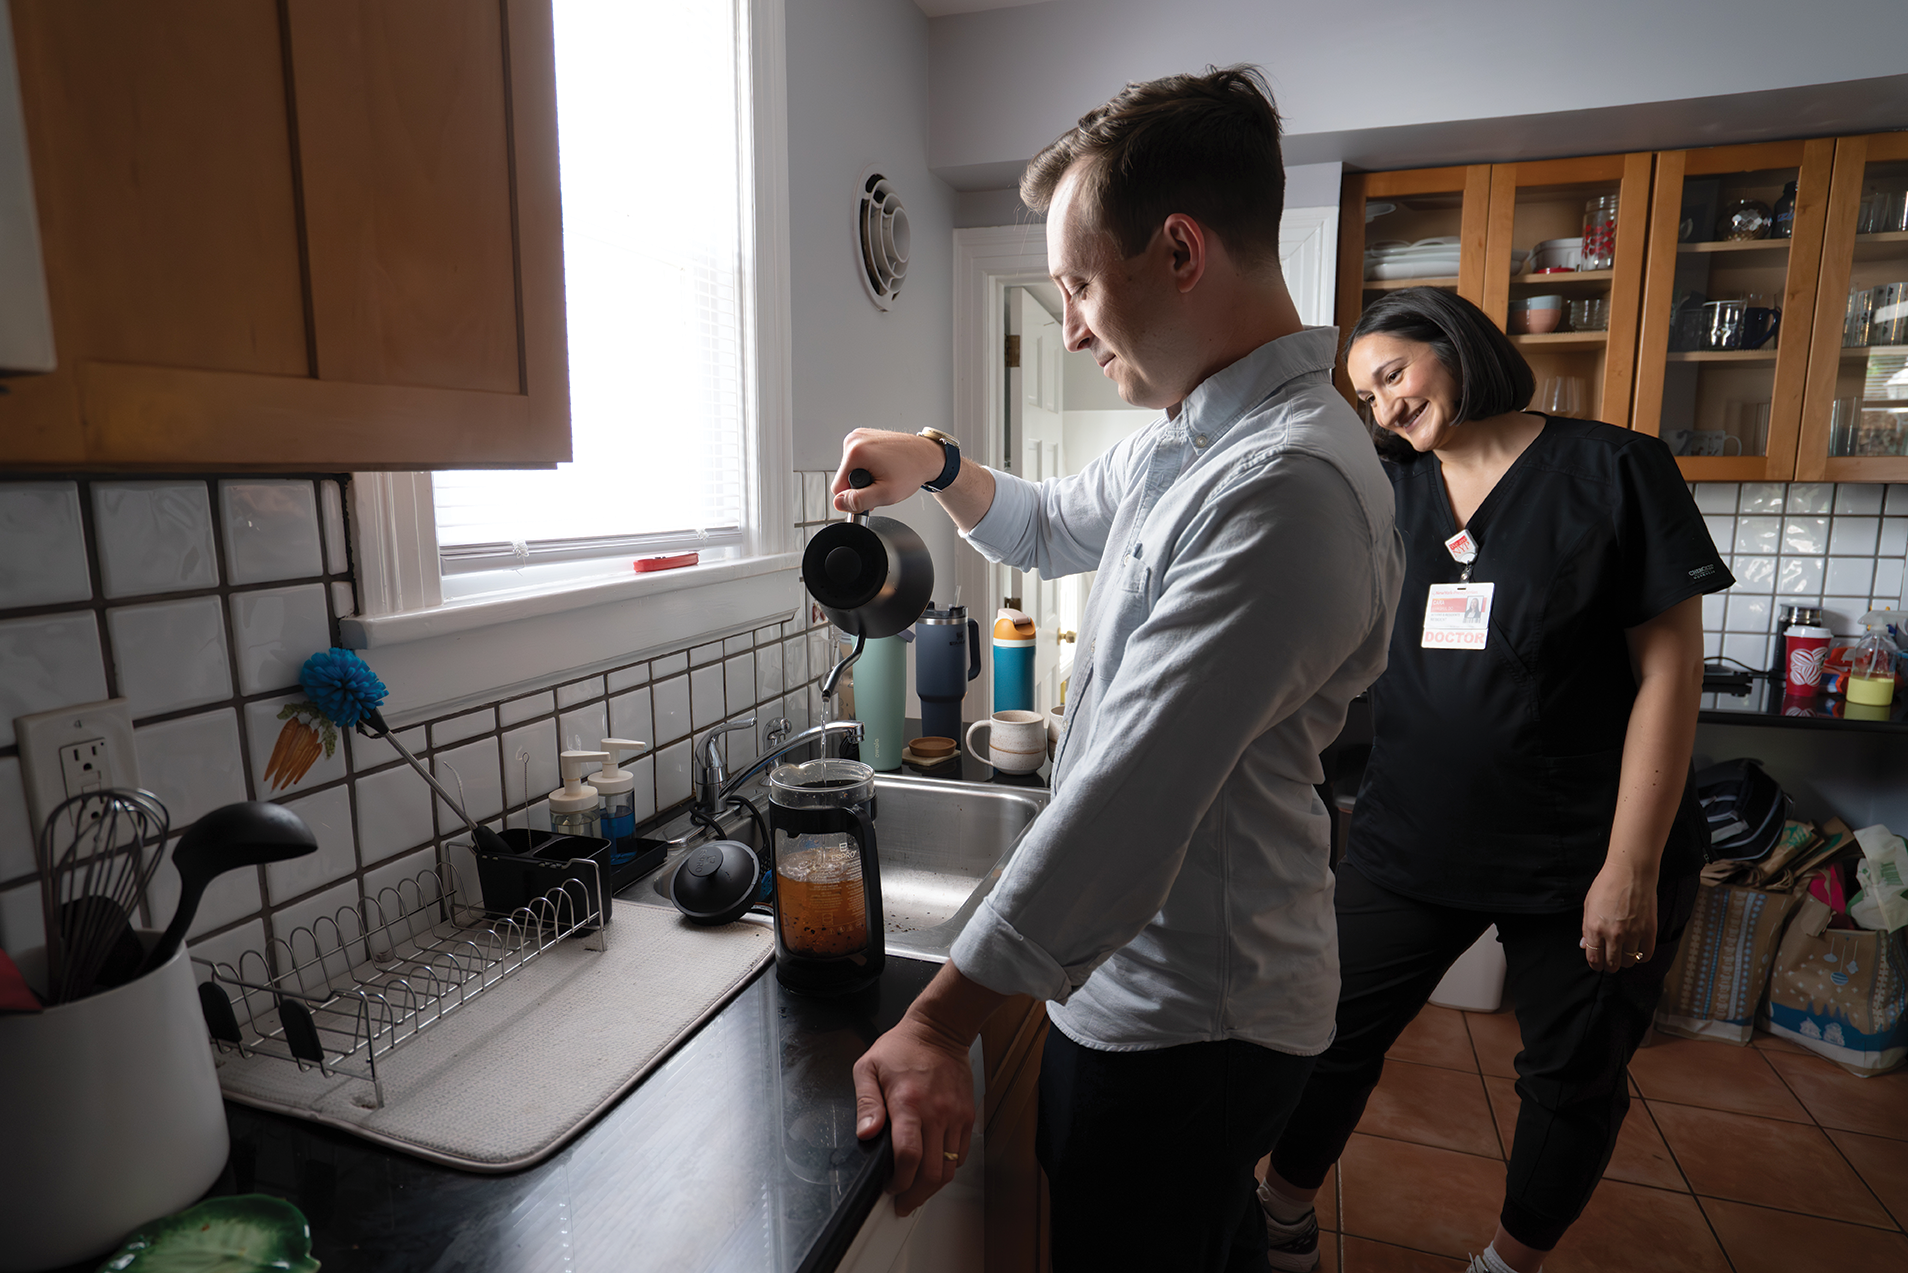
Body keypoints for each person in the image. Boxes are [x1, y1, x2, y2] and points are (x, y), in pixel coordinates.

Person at [834, 66, 1402, 1271]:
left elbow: (1128, 797)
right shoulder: (1195, 440)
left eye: (1082, 285)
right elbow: (1045, 525)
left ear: (1182, 250)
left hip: (1195, 1016)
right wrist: (936, 464)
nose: (1073, 326)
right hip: (1152, 993)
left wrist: (937, 1023)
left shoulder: (1284, 487)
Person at [1257, 288, 1730, 1273]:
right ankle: (1280, 1213)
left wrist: (1631, 866)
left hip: (1584, 848)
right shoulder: (1388, 484)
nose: (1382, 408)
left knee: (1570, 1078)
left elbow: (1670, 670)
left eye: (1392, 375)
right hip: (1412, 831)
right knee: (1326, 1030)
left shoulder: (1613, 467)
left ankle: (1506, 1263)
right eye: (1365, 394)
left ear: (1458, 346)